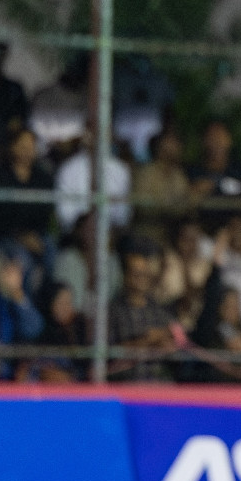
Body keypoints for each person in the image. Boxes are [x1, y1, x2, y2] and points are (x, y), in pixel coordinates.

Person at [107, 237, 180, 383]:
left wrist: (169, 344)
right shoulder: (113, 312)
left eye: (145, 275)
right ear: (125, 276)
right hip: (126, 386)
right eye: (136, 274)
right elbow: (108, 353)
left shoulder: (160, 312)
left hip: (158, 385)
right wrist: (147, 341)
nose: (142, 279)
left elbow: (177, 348)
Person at [53, 134, 131, 232]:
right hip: (75, 235)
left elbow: (123, 216)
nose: (95, 137)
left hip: (112, 234)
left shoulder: (120, 170)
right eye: (91, 132)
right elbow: (64, 216)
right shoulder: (68, 169)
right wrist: (86, 225)